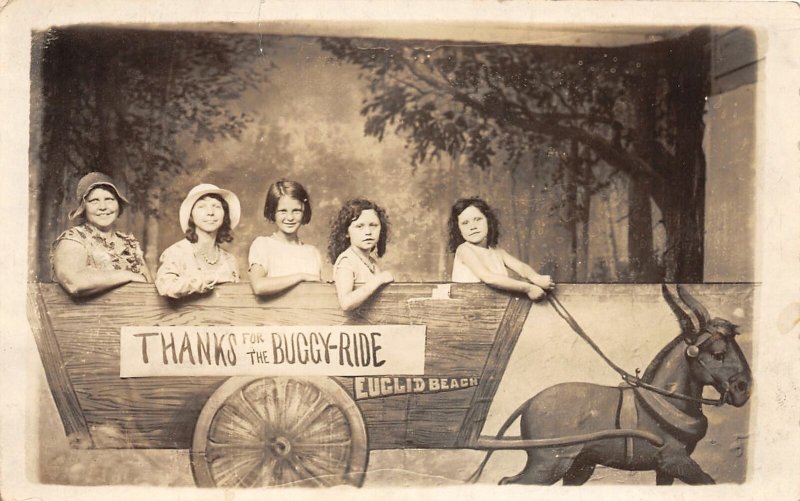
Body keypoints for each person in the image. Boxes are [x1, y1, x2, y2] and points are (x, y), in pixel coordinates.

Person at [51, 172, 152, 296]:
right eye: (94, 201)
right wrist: (128, 275)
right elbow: (74, 282)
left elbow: (148, 289)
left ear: (118, 205)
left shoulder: (129, 244)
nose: (103, 207)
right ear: (84, 208)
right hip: (85, 315)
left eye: (109, 199)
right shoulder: (73, 239)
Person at [448, 197, 554, 300]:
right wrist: (528, 288)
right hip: (468, 306)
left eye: (477, 219)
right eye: (465, 223)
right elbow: (488, 278)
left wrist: (535, 277)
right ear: (458, 229)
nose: (473, 226)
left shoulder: (497, 251)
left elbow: (521, 267)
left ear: (488, 222)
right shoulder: (464, 250)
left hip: (493, 306)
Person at [155, 184, 241, 298]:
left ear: (224, 215)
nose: (210, 212)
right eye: (202, 206)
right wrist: (210, 278)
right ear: (191, 215)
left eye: (216, 206)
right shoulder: (176, 253)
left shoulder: (230, 260)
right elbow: (165, 286)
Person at [248, 180, 322, 296]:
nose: (290, 217)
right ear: (273, 212)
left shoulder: (312, 252)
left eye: (296, 211)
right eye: (283, 211)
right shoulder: (263, 245)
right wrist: (301, 276)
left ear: (304, 211)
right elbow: (258, 286)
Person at [328, 199, 394, 311]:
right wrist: (379, 280)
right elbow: (346, 303)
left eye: (373, 225)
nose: (368, 231)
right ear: (346, 232)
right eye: (359, 226)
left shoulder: (372, 262)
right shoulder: (347, 261)